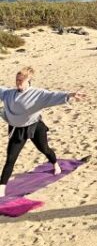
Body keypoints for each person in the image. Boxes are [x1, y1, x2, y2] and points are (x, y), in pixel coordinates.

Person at [0, 66, 86, 197]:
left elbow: (52, 95)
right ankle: (1, 188)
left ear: (29, 81)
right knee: (11, 159)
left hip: (35, 126)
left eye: (21, 81)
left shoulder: (37, 94)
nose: (18, 83)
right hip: (17, 129)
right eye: (17, 80)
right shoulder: (8, 94)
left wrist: (70, 95)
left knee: (44, 149)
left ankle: (55, 163)